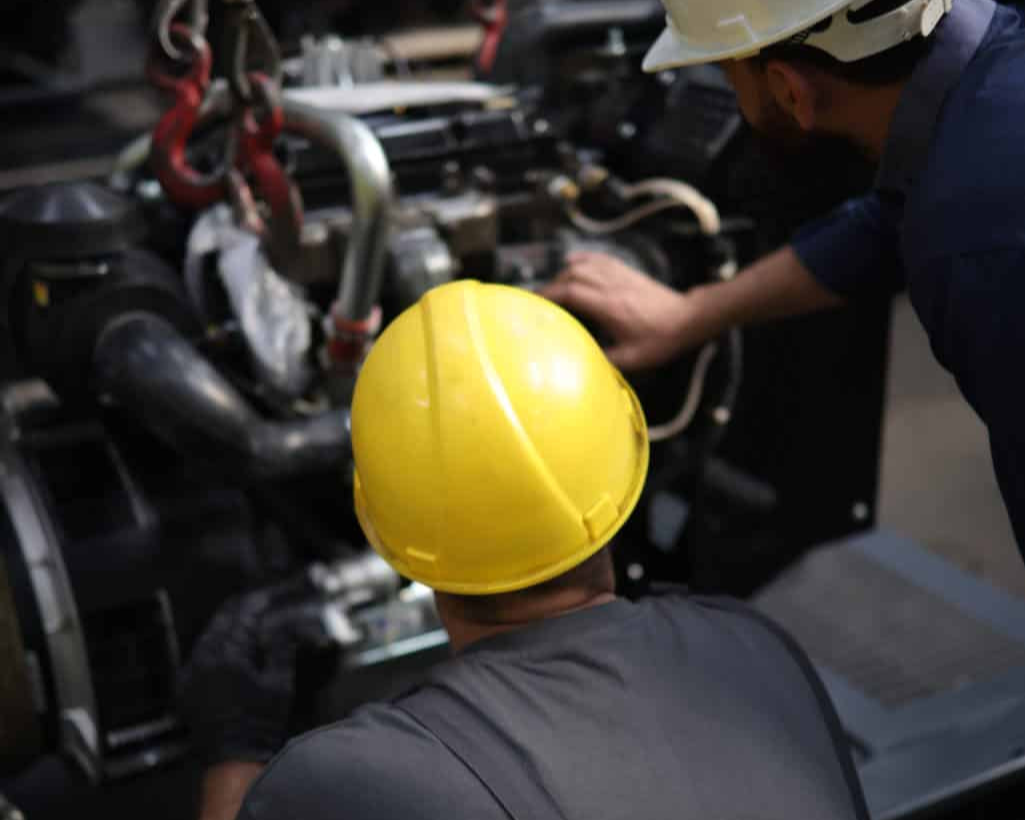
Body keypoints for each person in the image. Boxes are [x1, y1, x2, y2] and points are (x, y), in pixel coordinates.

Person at [181, 281, 869, 820]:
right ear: (623, 449)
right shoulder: (756, 649)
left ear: (382, 522)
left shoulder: (342, 784)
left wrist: (235, 750)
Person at [542, 0, 1025, 554]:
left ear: (789, 90)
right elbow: (888, 220)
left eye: (724, 72)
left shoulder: (978, 251)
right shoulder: (990, 67)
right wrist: (692, 313)